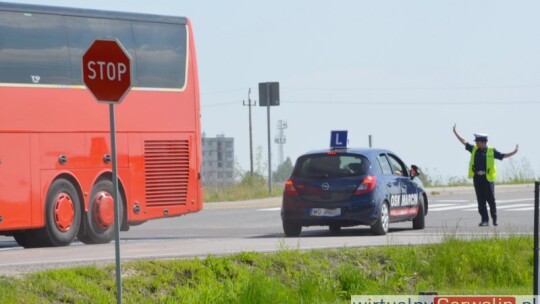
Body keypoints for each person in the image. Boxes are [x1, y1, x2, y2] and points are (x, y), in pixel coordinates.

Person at [453, 124, 519, 227]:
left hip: (487, 179)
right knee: (481, 200)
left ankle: (494, 219)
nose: (476, 143)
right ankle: (485, 220)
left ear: (483, 142)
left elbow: (503, 155)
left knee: (491, 200)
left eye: (478, 141)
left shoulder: (491, 151)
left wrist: (514, 152)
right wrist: (455, 132)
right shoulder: (474, 149)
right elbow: (464, 142)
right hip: (477, 178)